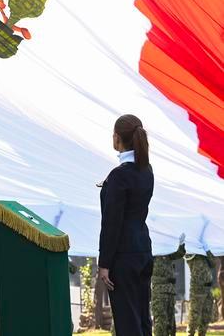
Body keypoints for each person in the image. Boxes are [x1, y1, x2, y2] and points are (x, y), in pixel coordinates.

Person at [98, 114, 154, 336]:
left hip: (123, 255)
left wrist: (105, 263)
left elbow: (112, 223)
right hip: (142, 250)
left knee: (127, 323)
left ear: (117, 138)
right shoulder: (146, 171)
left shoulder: (120, 176)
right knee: (141, 319)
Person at [150, 240, 184, 336]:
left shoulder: (168, 253)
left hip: (170, 291)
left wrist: (181, 244)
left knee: (171, 322)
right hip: (159, 292)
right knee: (161, 321)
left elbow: (179, 254)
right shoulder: (152, 254)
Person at [186, 251, 215, 336]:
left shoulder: (205, 250)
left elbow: (213, 263)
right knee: (194, 315)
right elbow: (186, 255)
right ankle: (190, 334)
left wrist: (206, 250)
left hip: (208, 287)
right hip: (197, 288)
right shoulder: (191, 249)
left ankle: (202, 334)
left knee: (206, 315)